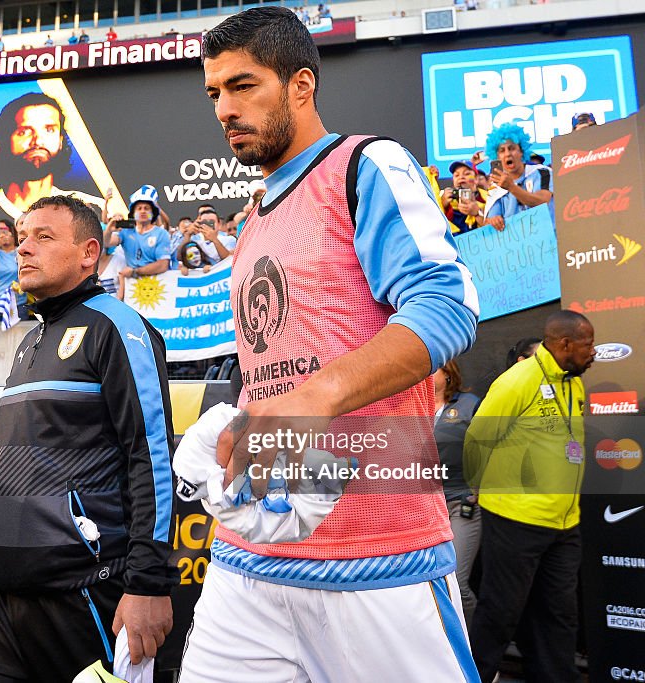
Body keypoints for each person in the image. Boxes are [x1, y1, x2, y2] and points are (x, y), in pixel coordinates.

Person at [179, 8, 479, 681]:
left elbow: (448, 302)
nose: (225, 108)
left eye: (244, 85)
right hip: (249, 559)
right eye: (214, 93)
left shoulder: (365, 165)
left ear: (301, 86)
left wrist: (319, 394)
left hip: (378, 556)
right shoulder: (252, 220)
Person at [0, 195, 176, 681]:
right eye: (23, 236)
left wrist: (148, 584)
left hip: (83, 595)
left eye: (43, 237)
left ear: (89, 253)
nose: (24, 248)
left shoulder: (119, 326)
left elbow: (150, 456)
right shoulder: (30, 338)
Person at [464, 310, 595, 683]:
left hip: (564, 522)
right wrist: (479, 486)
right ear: (564, 344)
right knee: (500, 613)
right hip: (514, 520)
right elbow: (477, 438)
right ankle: (474, 677)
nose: (594, 352)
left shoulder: (574, 383)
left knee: (559, 615)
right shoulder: (517, 381)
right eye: (588, 344)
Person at [0, 93, 110, 219]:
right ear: (0, 143)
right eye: (24, 132)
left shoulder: (87, 208)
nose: (38, 141)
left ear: (61, 140)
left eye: (49, 130)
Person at [433, 360, 481, 629]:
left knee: (457, 585)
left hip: (460, 503)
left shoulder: (468, 403)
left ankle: (472, 653)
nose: (426, 376)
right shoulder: (413, 406)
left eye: (433, 370)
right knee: (429, 585)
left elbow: (492, 446)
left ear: (448, 374)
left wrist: (480, 489)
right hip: (425, 508)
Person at [483, 122, 553, 230]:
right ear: (497, 157)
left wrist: (511, 187)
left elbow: (542, 202)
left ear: (521, 151)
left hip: (547, 239)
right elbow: (490, 221)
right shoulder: (495, 188)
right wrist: (493, 221)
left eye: (512, 148)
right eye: (502, 151)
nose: (507, 154)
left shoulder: (542, 172)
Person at [103, 185, 171, 279]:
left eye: (146, 208)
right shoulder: (125, 232)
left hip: (157, 288)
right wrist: (109, 230)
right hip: (132, 289)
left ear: (153, 213)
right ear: (133, 214)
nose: (143, 211)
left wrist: (135, 272)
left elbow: (163, 265)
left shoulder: (161, 234)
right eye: (139, 208)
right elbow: (107, 243)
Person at [440, 160, 487, 234]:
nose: (461, 177)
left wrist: (477, 213)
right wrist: (442, 207)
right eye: (456, 175)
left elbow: (496, 230)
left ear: (476, 179)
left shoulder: (488, 199)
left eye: (467, 174)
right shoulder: (446, 201)